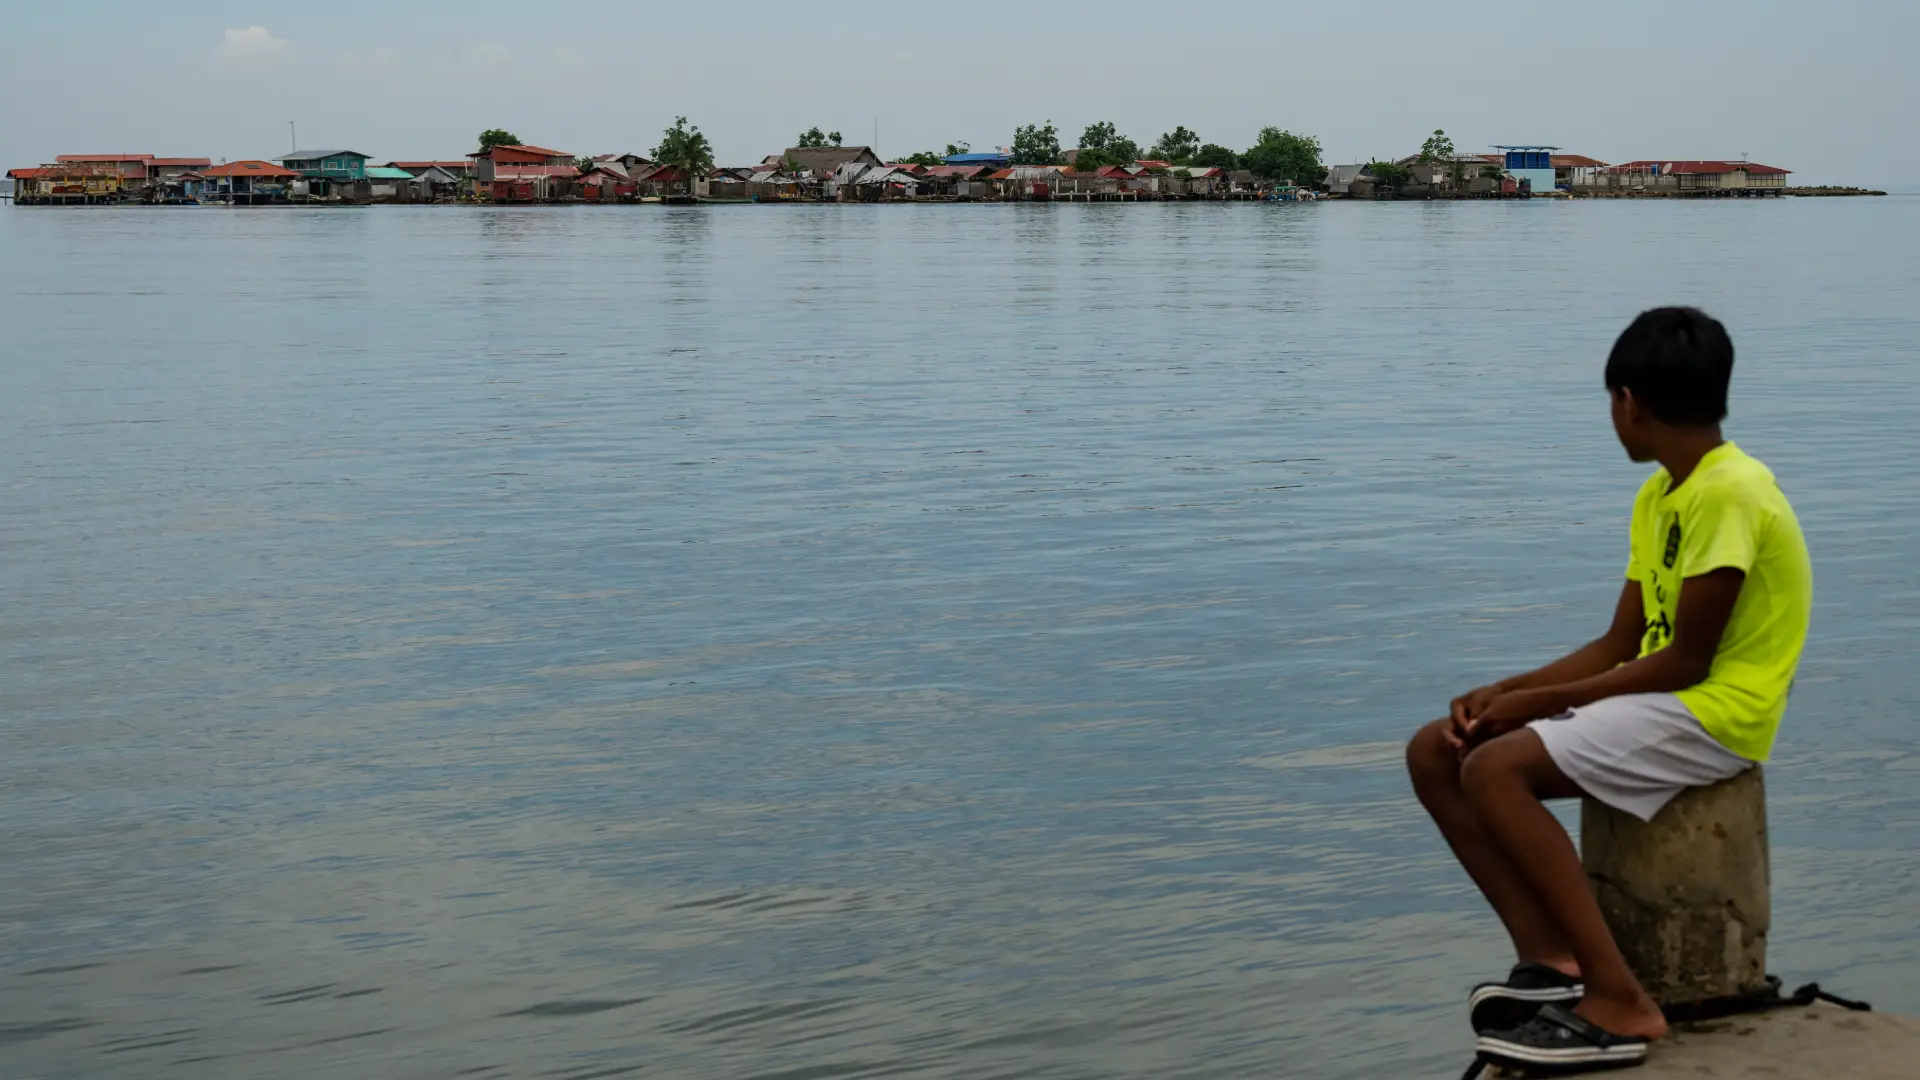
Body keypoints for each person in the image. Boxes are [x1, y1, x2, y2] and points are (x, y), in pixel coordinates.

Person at [1404, 307, 1812, 1073]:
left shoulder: (1731, 491)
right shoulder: (1662, 495)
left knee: (1495, 769)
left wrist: (1531, 709)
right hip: (1662, 698)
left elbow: (1687, 662)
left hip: (1720, 713)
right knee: (1437, 749)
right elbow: (1622, 643)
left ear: (1628, 401)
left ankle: (1619, 1000)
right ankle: (1551, 959)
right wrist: (1503, 690)